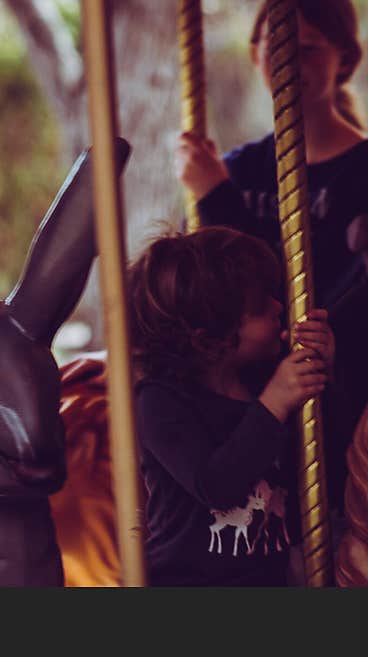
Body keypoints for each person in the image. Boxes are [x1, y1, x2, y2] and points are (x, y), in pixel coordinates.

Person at [175, 0, 367, 517]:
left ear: (345, 59)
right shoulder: (236, 171)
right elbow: (218, 292)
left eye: (308, 49)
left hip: (342, 383)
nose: (290, 64)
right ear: (256, 56)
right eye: (278, 49)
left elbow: (314, 295)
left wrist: (217, 199)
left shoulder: (361, 171)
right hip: (253, 390)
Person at [128, 226, 335, 586]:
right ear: (209, 336)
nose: (277, 306)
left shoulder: (263, 379)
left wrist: (324, 372)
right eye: (259, 306)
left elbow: (327, 453)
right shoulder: (159, 403)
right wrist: (274, 403)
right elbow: (215, 486)